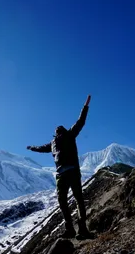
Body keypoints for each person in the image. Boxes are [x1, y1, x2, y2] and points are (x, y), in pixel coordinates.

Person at [27, 95, 94, 240]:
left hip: (62, 174)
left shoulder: (56, 141)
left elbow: (41, 148)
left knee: (63, 201)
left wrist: (32, 147)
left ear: (57, 132)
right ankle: (80, 230)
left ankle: (72, 229)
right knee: (77, 199)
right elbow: (80, 122)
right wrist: (85, 107)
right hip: (71, 172)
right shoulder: (66, 136)